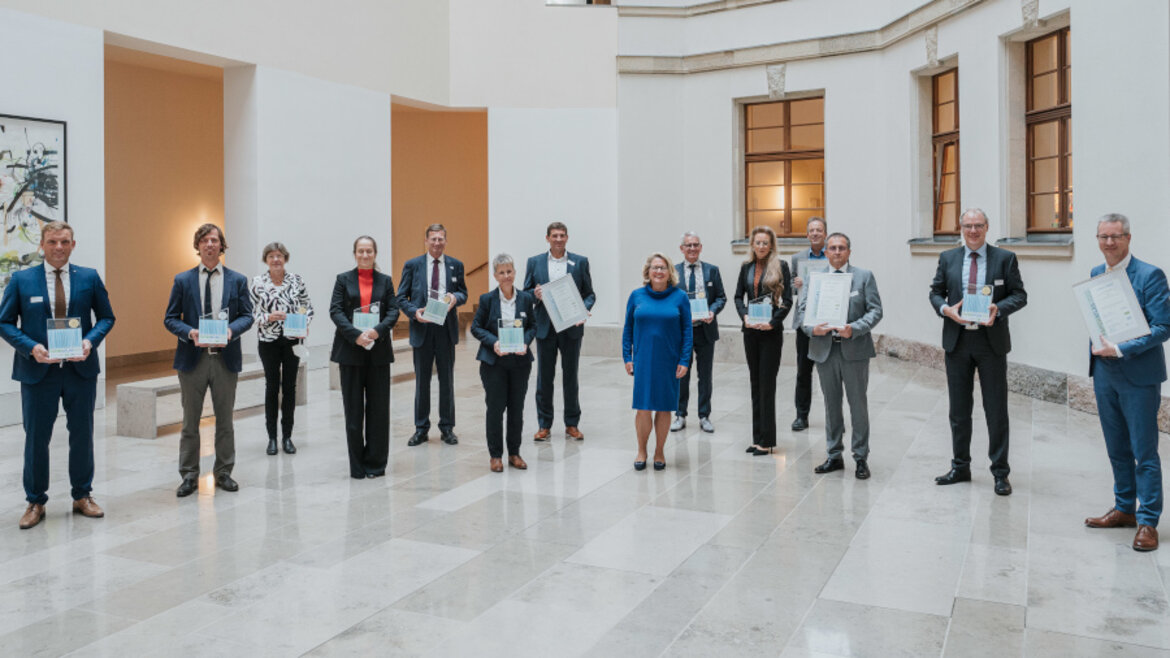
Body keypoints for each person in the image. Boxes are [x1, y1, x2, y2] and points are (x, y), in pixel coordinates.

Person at [0, 222, 115, 529]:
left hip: (80, 370)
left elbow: (106, 317)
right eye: (52, 242)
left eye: (65, 241)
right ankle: (35, 501)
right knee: (37, 438)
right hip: (38, 372)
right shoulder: (22, 280)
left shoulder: (89, 277)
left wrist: (90, 341)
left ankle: (82, 495)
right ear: (42, 245)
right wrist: (31, 347)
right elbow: (5, 322)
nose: (59, 247)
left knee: (82, 435)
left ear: (73, 244)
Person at [1083, 213, 1170, 552]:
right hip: (1104, 372)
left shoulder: (1150, 275)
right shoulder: (1095, 274)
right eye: (1103, 236)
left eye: (1115, 236)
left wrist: (1120, 348)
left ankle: (1148, 521)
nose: (1109, 243)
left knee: (1143, 451)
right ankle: (1123, 509)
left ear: (1128, 238)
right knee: (1116, 447)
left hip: (1138, 375)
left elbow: (1163, 327)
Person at [928, 208, 1027, 495]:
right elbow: (935, 292)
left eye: (978, 225)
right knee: (959, 410)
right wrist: (946, 310)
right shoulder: (948, 258)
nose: (973, 231)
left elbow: (1019, 295)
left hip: (990, 342)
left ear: (987, 227)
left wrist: (999, 308)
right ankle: (960, 466)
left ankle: (1000, 472)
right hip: (957, 341)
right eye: (968, 225)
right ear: (961, 228)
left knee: (996, 410)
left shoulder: (1004, 258)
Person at [164, 223, 254, 497]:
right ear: (198, 246)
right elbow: (169, 319)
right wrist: (189, 332)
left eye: (214, 239)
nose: (209, 244)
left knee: (225, 420)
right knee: (190, 421)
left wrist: (231, 330)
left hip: (225, 359)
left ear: (221, 245)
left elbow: (248, 316)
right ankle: (189, 475)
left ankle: (224, 472)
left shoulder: (237, 280)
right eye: (204, 240)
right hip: (193, 359)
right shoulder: (183, 280)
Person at [801, 233, 882, 479]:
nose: (837, 252)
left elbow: (876, 310)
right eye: (832, 248)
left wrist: (853, 329)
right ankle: (834, 455)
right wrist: (811, 328)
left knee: (858, 405)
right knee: (831, 405)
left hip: (854, 350)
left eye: (842, 248)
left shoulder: (863, 277)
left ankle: (860, 457)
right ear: (825, 252)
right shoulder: (814, 279)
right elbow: (803, 311)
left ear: (849, 252)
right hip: (824, 351)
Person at [330, 236, 399, 479]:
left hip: (378, 352)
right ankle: (357, 466)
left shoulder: (386, 281)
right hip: (351, 352)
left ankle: (376, 464)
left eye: (369, 251)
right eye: (361, 251)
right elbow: (336, 311)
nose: (365, 255)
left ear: (375, 253)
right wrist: (355, 335)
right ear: (355, 253)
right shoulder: (343, 280)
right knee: (353, 412)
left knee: (379, 411)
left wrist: (377, 331)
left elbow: (393, 310)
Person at [524, 222, 596, 442]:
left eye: (562, 235)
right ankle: (544, 425)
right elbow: (525, 293)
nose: (558, 239)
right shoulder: (535, 262)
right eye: (554, 235)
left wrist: (583, 310)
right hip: (545, 327)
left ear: (567, 238)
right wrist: (533, 294)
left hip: (571, 328)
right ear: (547, 238)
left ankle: (572, 424)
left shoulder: (580, 262)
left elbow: (590, 294)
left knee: (570, 376)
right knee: (544, 378)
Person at [397, 223, 467, 446]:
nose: (437, 243)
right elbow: (401, 298)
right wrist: (414, 313)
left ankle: (447, 428)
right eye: (433, 239)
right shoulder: (413, 265)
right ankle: (421, 428)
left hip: (446, 331)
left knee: (447, 381)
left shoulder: (456, 265)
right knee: (422, 382)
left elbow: (463, 292)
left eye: (441, 239)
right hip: (422, 329)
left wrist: (456, 298)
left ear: (446, 241)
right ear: (426, 241)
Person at [623, 253, 692, 470]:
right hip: (643, 359)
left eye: (662, 268)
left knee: (664, 407)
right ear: (648, 271)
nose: (658, 271)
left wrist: (684, 359)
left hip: (669, 360)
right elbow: (628, 329)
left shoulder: (680, 297)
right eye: (654, 267)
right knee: (643, 407)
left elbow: (687, 331)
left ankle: (659, 451)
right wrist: (627, 356)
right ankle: (641, 450)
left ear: (669, 271)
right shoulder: (636, 296)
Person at [471, 254, 537, 473]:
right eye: (502, 272)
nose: (506, 276)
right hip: (494, 363)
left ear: (515, 273)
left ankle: (515, 453)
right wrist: (494, 342)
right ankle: (496, 455)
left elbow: (532, 327)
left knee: (516, 409)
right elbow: (476, 327)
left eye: (509, 271)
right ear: (495, 275)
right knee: (496, 409)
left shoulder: (526, 299)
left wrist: (525, 342)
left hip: (519, 362)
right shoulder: (487, 300)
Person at [250, 241, 314, 456]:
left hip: (292, 340)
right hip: (268, 341)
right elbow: (249, 313)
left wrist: (300, 318)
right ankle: (271, 438)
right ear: (265, 260)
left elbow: (308, 307)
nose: (275, 259)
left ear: (285, 258)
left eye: (279, 256)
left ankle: (287, 437)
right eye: (271, 256)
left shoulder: (296, 281)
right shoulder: (257, 283)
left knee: (289, 388)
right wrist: (267, 317)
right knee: (271, 387)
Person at [734, 225, 792, 456]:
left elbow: (787, 300)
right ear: (752, 245)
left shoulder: (782, 266)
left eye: (765, 243)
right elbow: (738, 296)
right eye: (757, 242)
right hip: (751, 331)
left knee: (767, 385)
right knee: (755, 384)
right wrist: (745, 315)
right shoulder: (746, 267)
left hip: (770, 333)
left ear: (771, 245)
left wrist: (773, 322)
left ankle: (767, 441)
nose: (761, 246)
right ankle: (757, 437)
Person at [671, 231, 726, 433]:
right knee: (681, 374)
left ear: (701, 247)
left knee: (705, 375)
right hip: (682, 333)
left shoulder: (712, 271)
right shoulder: (673, 272)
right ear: (682, 249)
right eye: (688, 245)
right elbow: (670, 299)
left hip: (705, 330)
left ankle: (704, 415)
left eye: (696, 245)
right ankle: (680, 414)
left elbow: (721, 297)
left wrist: (712, 311)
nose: (692, 249)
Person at [789, 216, 828, 431]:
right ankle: (801, 416)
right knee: (803, 371)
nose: (815, 234)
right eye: (811, 230)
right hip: (804, 322)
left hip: (826, 320)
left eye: (819, 230)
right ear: (807, 234)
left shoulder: (833, 255)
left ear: (825, 234)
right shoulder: (797, 259)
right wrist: (795, 285)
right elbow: (791, 289)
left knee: (830, 371)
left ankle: (833, 415)